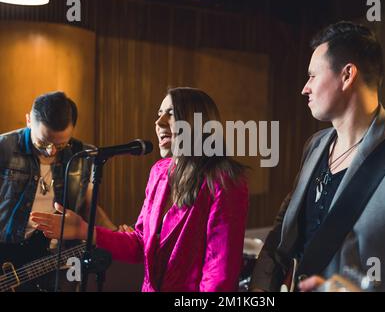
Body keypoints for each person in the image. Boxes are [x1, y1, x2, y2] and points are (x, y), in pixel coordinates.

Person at [249, 21, 385, 292]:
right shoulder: (316, 145)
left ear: (347, 75)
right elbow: (283, 231)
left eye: (312, 76)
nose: (304, 88)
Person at [31, 87, 249, 292]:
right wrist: (84, 230)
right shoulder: (160, 172)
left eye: (171, 114)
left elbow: (219, 276)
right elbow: (140, 245)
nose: (159, 121)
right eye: (159, 113)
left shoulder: (224, 181)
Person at [0, 91, 117, 291]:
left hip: (56, 262)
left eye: (60, 144)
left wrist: (114, 235)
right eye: (43, 143)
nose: (50, 151)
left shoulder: (83, 156)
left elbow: (89, 206)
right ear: (29, 120)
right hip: (6, 258)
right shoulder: (4, 148)